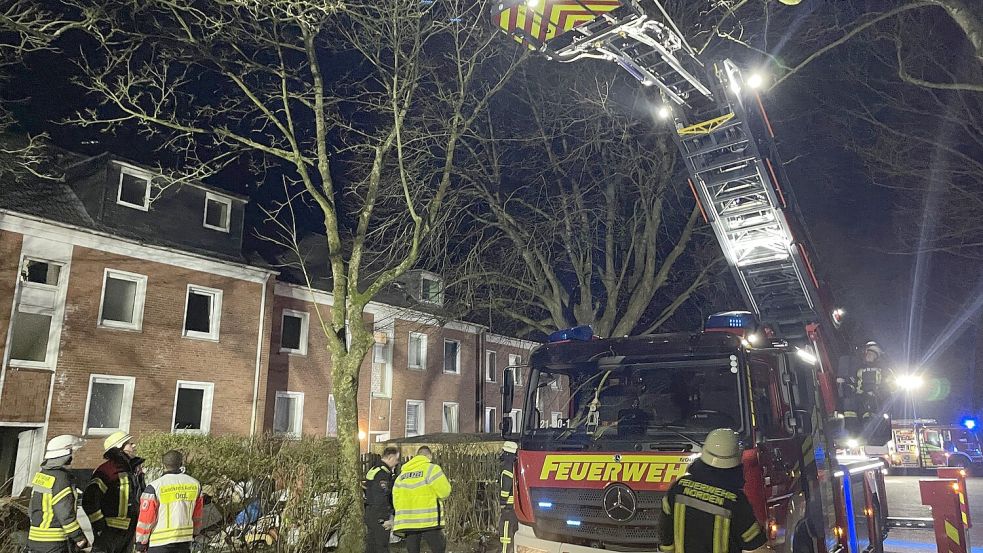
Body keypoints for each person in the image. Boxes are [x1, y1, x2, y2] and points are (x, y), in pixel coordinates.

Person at [658, 429, 769, 553]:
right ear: (737, 459)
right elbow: (755, 545)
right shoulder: (736, 501)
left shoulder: (678, 488)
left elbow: (665, 534)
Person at [83, 431, 144, 553]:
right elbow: (89, 501)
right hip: (109, 532)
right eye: (129, 444)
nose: (133, 446)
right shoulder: (107, 471)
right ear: (119, 448)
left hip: (128, 530)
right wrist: (100, 526)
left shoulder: (131, 469)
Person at [26, 435, 87, 553]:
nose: (73, 457)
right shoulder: (61, 478)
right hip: (54, 542)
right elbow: (64, 512)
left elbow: (31, 509)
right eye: (72, 453)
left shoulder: (42, 475)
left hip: (34, 539)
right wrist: (78, 537)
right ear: (66, 455)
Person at [134, 450, 203, 553]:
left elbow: (146, 519)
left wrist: (141, 542)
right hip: (183, 541)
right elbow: (197, 515)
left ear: (164, 465)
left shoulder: (154, 487)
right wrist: (195, 533)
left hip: (158, 542)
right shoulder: (195, 484)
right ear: (181, 464)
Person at [392, 446, 452, 553]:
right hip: (429, 521)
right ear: (428, 456)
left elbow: (396, 499)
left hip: (408, 523)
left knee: (413, 550)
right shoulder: (432, 469)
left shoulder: (401, 476)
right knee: (439, 548)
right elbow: (445, 492)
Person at [364, 446, 400, 553]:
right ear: (390, 457)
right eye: (396, 459)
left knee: (371, 546)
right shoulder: (383, 474)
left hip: (370, 512)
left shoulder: (374, 469)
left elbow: (367, 490)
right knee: (381, 546)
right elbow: (381, 497)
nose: (397, 462)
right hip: (379, 515)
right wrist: (385, 519)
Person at [496, 441, 518, 553]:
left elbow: (505, 487)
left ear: (507, 453)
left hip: (508, 509)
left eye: (503, 451)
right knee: (512, 534)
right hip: (514, 508)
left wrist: (502, 502)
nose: (501, 454)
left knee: (505, 535)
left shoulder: (506, 468)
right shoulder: (515, 466)